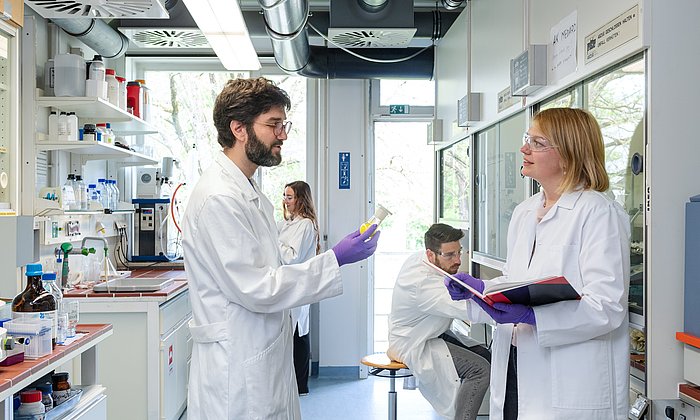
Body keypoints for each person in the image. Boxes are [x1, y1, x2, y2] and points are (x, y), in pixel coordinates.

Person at [182, 77, 381, 419]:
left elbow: (269, 271)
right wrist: (335, 259)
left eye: (283, 124)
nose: (283, 134)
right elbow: (258, 288)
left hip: (261, 351)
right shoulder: (219, 198)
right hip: (237, 365)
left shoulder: (248, 191)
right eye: (274, 124)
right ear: (239, 128)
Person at [444, 107, 630, 420]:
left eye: (538, 143)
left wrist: (535, 317)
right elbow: (518, 280)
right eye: (527, 139)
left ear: (569, 155)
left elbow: (607, 307)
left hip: (570, 378)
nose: (524, 149)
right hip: (517, 361)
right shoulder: (525, 211)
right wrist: (483, 290)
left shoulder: (598, 213)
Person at [388, 223, 490, 420]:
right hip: (412, 342)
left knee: (485, 354)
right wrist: (514, 313)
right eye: (449, 255)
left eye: (459, 252)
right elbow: (468, 310)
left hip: (426, 332)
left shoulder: (420, 259)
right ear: (430, 254)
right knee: (480, 370)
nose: (458, 260)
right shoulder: (423, 284)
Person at [278, 180, 320, 396]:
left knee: (298, 335)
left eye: (290, 197)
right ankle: (293, 384)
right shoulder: (289, 222)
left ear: (301, 199)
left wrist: (276, 243)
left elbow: (292, 257)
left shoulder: (305, 224)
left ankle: (300, 386)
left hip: (298, 286)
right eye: (285, 196)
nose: (285, 201)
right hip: (288, 286)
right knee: (294, 334)